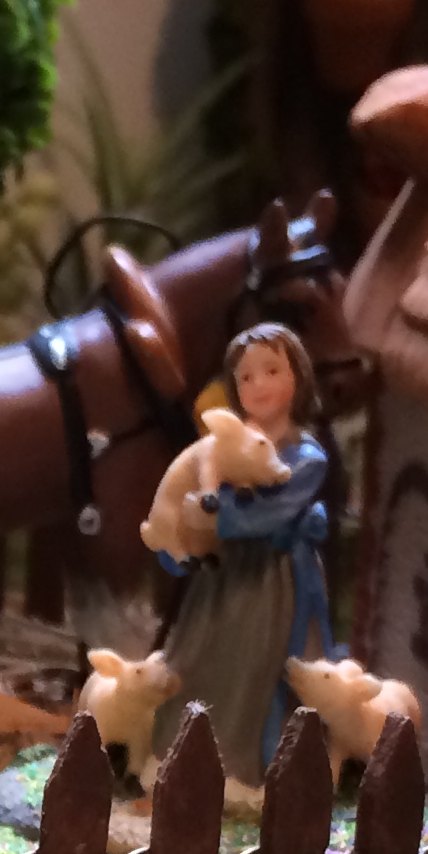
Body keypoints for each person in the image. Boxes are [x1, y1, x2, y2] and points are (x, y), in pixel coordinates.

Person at [150, 323, 334, 786]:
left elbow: (265, 515)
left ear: (298, 377)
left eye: (272, 371)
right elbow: (190, 487)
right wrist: (183, 525)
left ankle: (243, 772)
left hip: (271, 581)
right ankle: (175, 760)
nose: (258, 385)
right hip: (220, 575)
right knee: (193, 659)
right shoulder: (222, 447)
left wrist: (209, 515)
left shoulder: (305, 457)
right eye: (246, 377)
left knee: (253, 670)